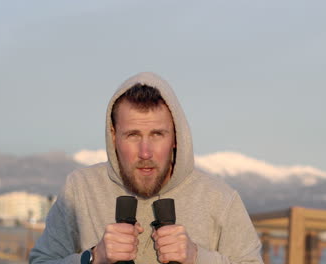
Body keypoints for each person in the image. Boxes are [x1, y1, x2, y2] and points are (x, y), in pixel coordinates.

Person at [29, 72, 263, 264]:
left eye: (157, 134)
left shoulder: (220, 199)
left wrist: (198, 258)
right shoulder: (80, 189)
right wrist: (93, 257)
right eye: (132, 135)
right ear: (113, 136)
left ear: (175, 137)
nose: (145, 152)